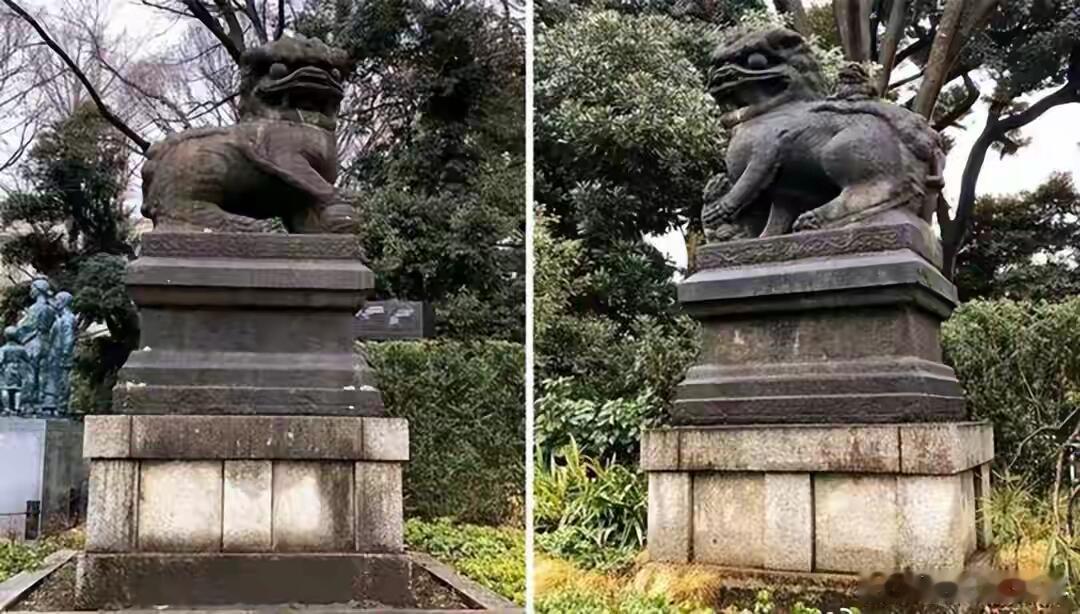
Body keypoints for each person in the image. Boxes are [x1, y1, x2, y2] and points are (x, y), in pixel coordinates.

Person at [0, 325, 30, 414]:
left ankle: (7, 408)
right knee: (18, 389)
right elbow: (27, 359)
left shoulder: (3, 349)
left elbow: (0, 360)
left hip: (7, 369)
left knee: (5, 388)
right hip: (18, 369)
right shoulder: (21, 349)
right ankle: (17, 407)